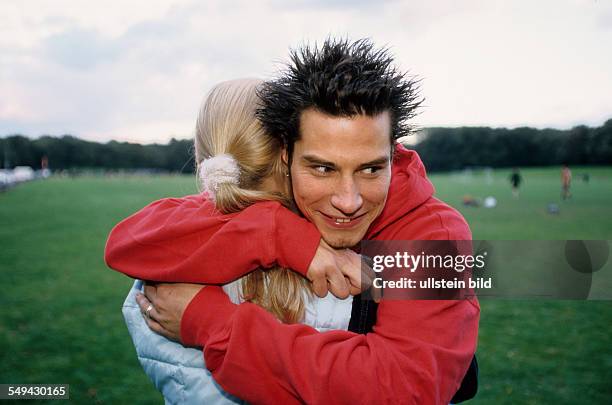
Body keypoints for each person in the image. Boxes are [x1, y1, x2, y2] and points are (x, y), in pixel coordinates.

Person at [106, 38, 480, 404]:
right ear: (286, 158)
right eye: (322, 167)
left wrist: (212, 322)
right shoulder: (280, 204)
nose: (347, 201)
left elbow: (404, 389)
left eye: (370, 169)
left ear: (393, 152)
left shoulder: (436, 238)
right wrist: (278, 233)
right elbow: (131, 243)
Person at [115, 78, 357, 404]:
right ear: (289, 158)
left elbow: (124, 242)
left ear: (204, 160)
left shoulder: (160, 283)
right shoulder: (340, 254)